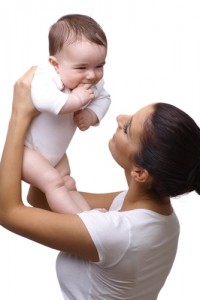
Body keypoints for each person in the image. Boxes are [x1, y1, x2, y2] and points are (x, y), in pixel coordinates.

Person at [1, 67, 200, 300]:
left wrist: (19, 115)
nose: (120, 118)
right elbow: (41, 198)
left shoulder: (116, 233)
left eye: (128, 129)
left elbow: (7, 211)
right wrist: (58, 115)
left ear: (140, 173)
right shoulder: (154, 214)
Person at [23, 14, 111, 213]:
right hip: (28, 152)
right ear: (56, 64)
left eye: (100, 66)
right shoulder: (47, 78)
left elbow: (105, 98)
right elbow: (42, 100)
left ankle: (89, 217)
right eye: (81, 68)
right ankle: (77, 222)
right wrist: (76, 100)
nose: (92, 75)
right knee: (53, 182)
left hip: (57, 154)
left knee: (68, 183)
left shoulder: (91, 84)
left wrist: (91, 114)